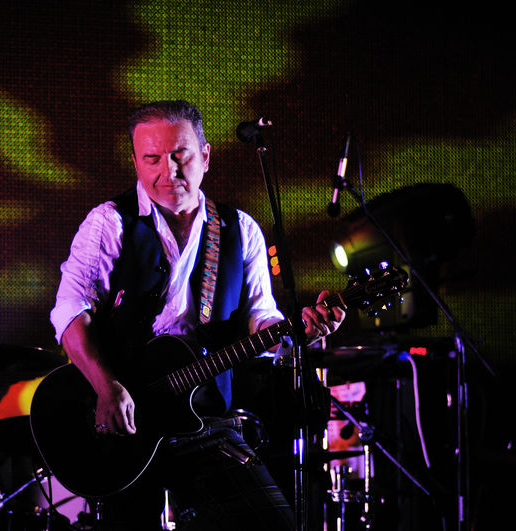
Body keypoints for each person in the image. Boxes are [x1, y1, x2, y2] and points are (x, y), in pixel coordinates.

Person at [50, 100, 345, 530]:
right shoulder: (108, 223)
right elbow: (69, 312)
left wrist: (300, 331)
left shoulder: (240, 229)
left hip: (206, 421)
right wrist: (106, 386)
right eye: (151, 158)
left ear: (205, 156)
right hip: (122, 425)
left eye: (179, 155)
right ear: (135, 161)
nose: (167, 170)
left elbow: (261, 319)